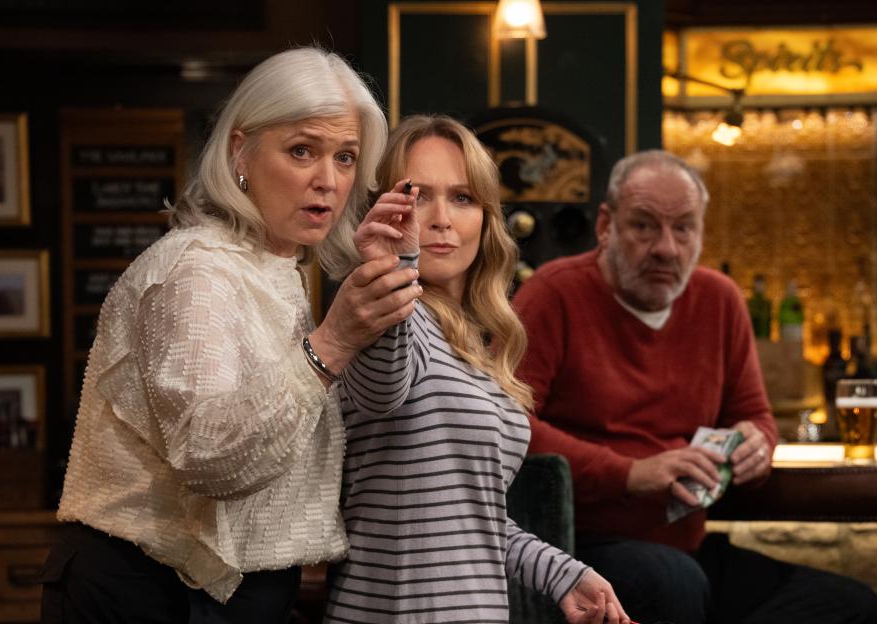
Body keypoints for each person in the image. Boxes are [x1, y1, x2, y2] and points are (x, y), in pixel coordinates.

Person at [40, 48, 420, 623]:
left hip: (220, 590)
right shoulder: (197, 269)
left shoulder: (274, 266)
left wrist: (387, 280)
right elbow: (212, 458)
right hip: (151, 589)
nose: (328, 180)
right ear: (240, 149)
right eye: (302, 151)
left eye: (346, 158)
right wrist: (334, 341)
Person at [513, 149, 877, 624]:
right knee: (672, 583)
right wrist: (630, 473)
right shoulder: (552, 292)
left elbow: (755, 417)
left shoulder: (720, 300)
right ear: (605, 226)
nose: (667, 247)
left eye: (683, 228)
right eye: (645, 226)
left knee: (851, 605)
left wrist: (756, 444)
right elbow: (508, 426)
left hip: (690, 549)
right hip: (579, 547)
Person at [323, 115, 630, 624]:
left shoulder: (472, 345)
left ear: (486, 218)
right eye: (418, 196)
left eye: (463, 198)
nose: (442, 218)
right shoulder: (385, 321)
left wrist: (564, 573)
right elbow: (382, 384)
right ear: (386, 211)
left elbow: (469, 522)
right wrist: (391, 271)